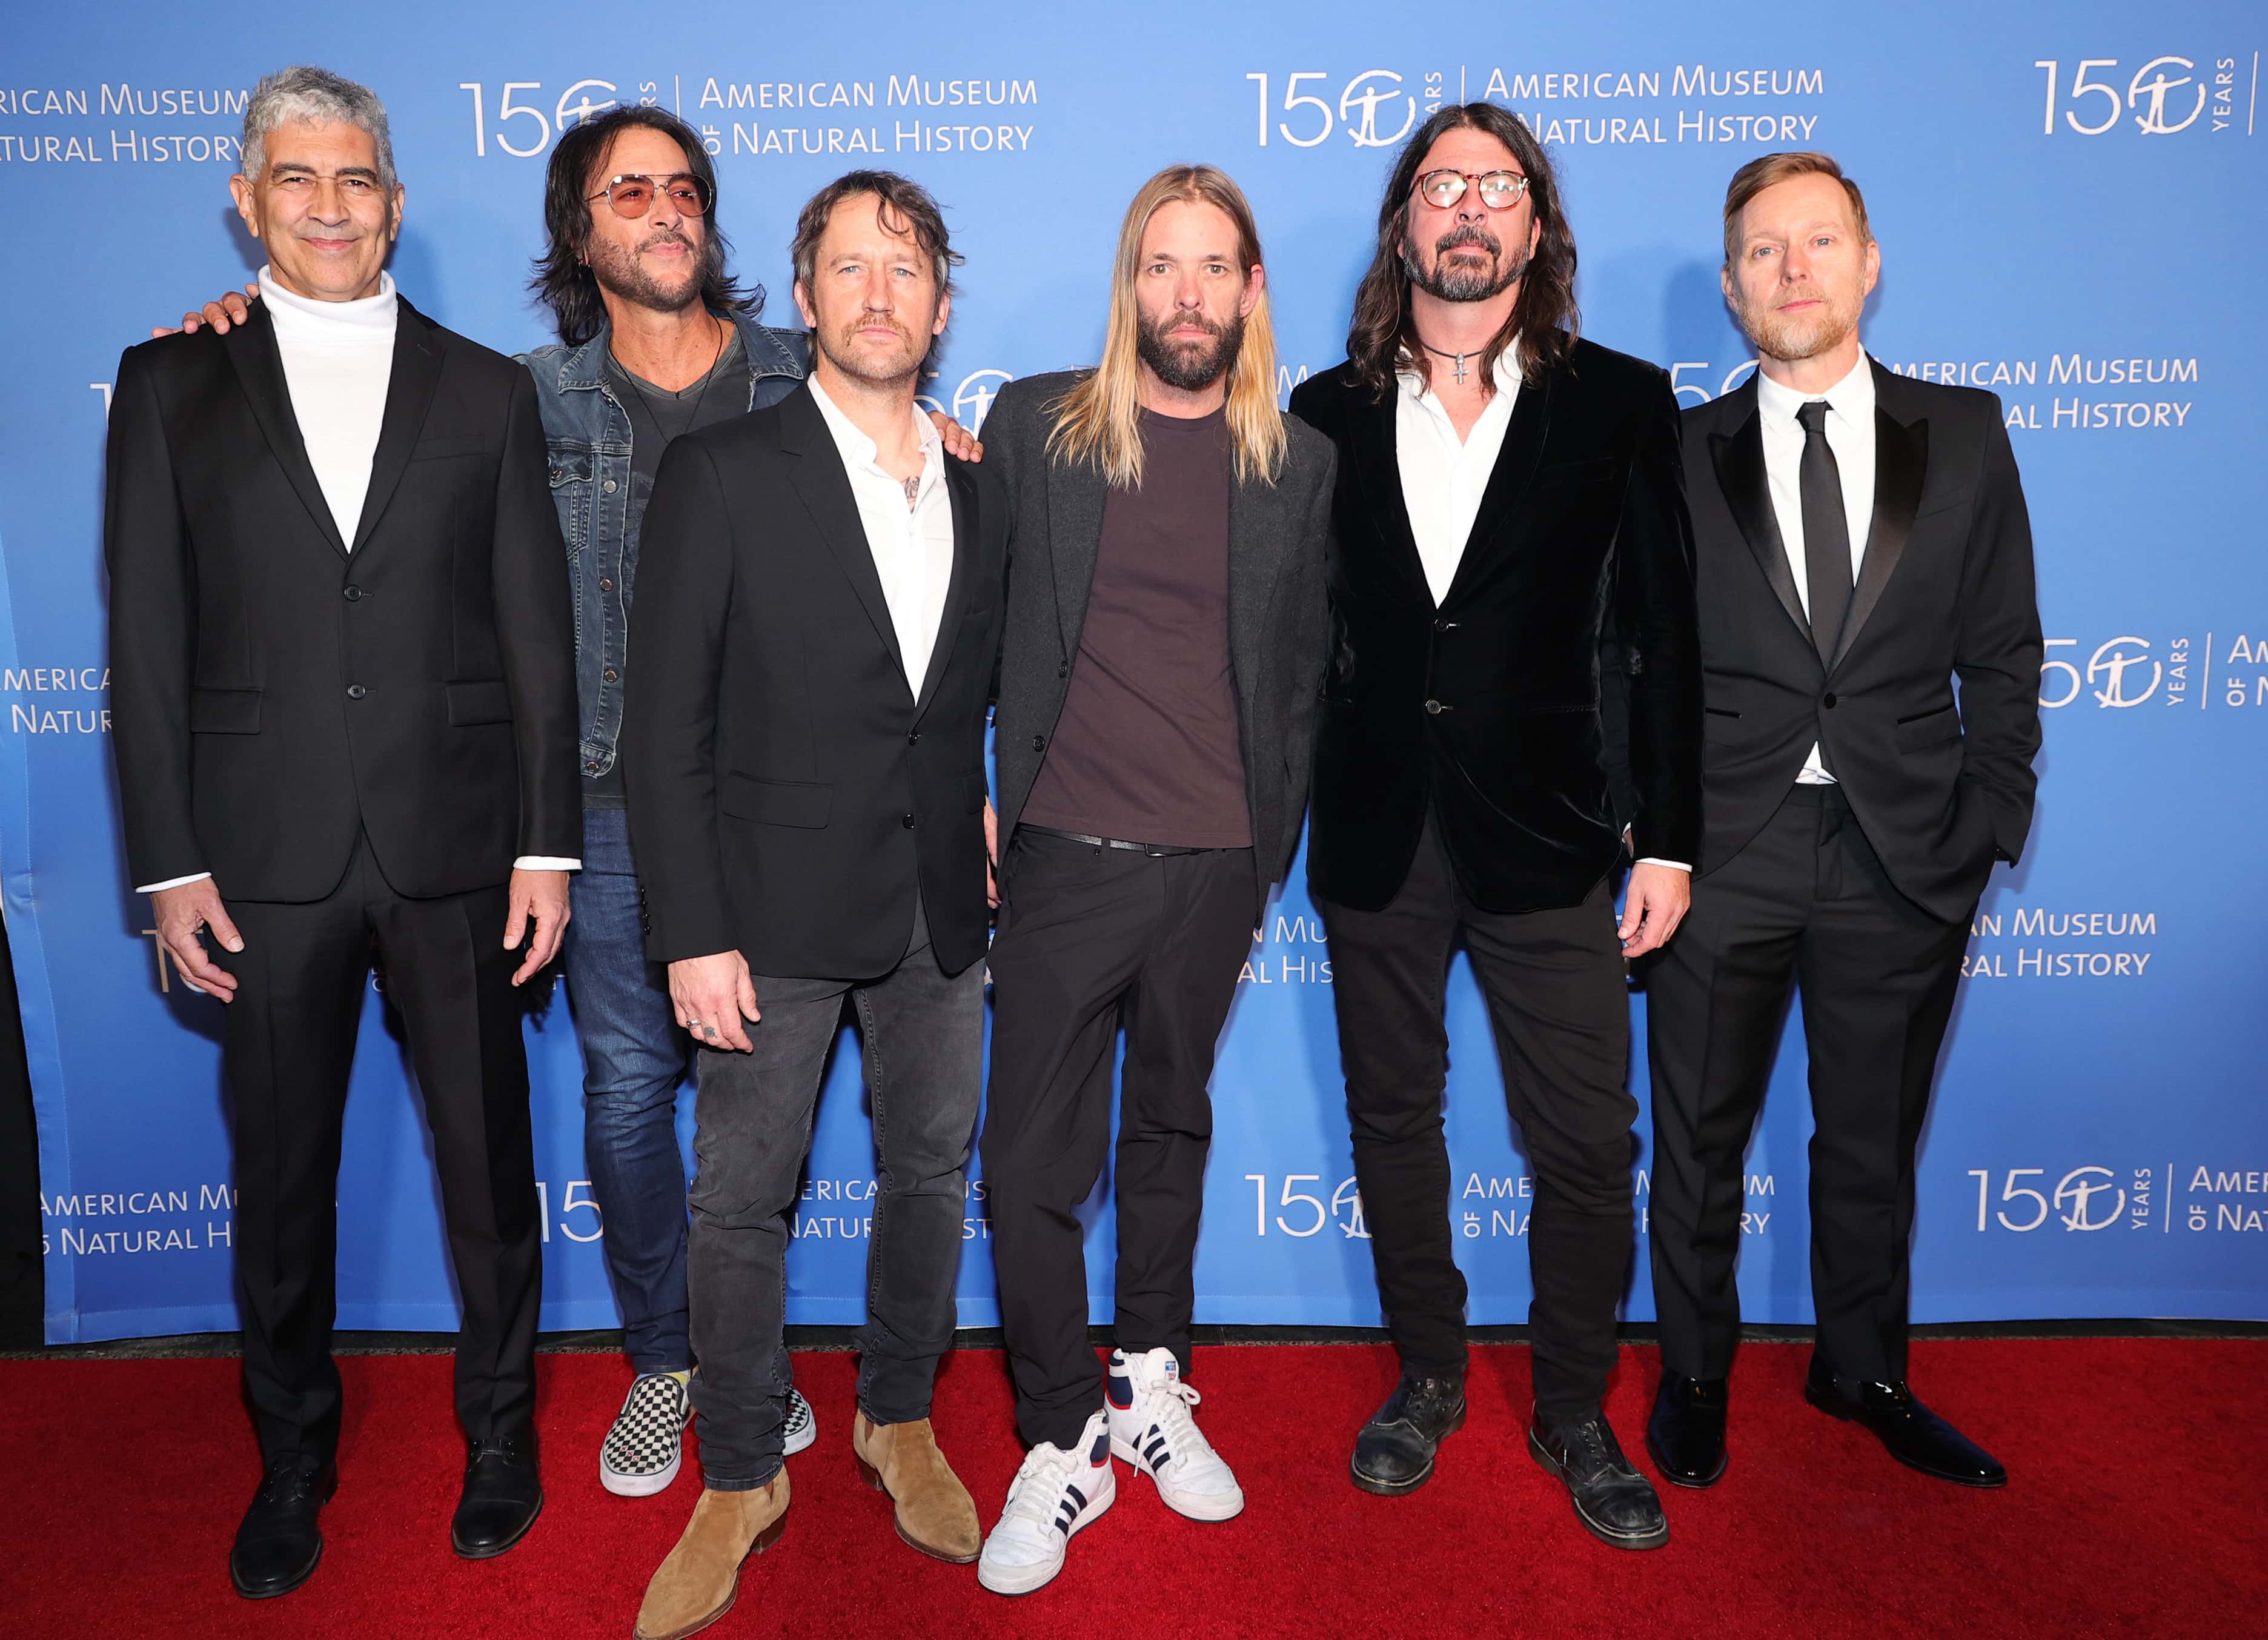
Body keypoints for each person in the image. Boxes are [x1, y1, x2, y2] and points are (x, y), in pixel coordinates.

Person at [165, 104, 983, 1499]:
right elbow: (360, 384)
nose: (662, 212)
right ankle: (675, 1361)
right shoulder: (514, 394)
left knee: (790, 1123)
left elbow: (905, 460)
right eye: (626, 194)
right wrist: (259, 319)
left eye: (683, 190)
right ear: (580, 231)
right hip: (601, 805)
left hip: (800, 809)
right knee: (628, 1093)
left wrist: (950, 445)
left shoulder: (809, 373)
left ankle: (776, 1370)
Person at [107, 66, 579, 1598]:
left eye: (358, 180)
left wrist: (545, 845)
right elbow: (149, 640)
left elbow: (534, 630)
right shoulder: (172, 382)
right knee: (282, 1182)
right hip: (261, 859)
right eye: (297, 179)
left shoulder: (485, 387)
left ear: (396, 201)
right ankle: (290, 1456)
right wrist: (170, 860)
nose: (329, 205)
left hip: (456, 849)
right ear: (248, 198)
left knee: (490, 1179)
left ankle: (500, 1434)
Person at [1288, 102, 1700, 1550]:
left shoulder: (1620, 402)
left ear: (1537, 223)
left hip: (1556, 832)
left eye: (1499, 187)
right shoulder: (1320, 412)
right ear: (1404, 218)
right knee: (1394, 1122)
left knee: (1588, 1144)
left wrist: (1668, 839)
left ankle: (1575, 1403)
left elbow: (1665, 638)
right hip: (1376, 832)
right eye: (1441, 184)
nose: (1468, 210)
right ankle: (1428, 1376)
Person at [620, 171, 1006, 1640]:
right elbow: (667, 732)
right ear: (805, 298)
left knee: (928, 1172)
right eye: (850, 268)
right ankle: (736, 1475)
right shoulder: (724, 471)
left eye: (906, 269)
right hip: (762, 917)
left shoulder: (977, 483)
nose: (880, 294)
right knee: (738, 1202)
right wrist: (690, 930)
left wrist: (974, 800)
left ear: (941, 304)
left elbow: (957, 701)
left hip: (936, 908)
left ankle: (895, 1416)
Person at [1644, 152, 2041, 1492]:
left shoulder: (1968, 434)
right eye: (1764, 250)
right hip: (1724, 851)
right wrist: (1653, 836)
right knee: (1696, 1140)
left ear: (1869, 265)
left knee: (1872, 1139)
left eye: (1819, 242)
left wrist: (1992, 817)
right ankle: (1695, 1375)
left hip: (1906, 851)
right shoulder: (1679, 453)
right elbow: (1627, 663)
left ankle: (1862, 1367)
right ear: (1733, 287)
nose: (1793, 269)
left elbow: (2003, 651)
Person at [972, 165, 1333, 1597]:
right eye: (1160, 266)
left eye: (1212, 268)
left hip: (1218, 865)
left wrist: (1266, 843)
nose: (1186, 294)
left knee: (1170, 1127)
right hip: (1065, 853)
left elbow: (1306, 671)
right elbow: (962, 627)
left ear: (1249, 291)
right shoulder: (1038, 431)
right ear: (1130, 286)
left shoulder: (1300, 466)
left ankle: (1146, 1383)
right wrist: (971, 800)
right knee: (1029, 1165)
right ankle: (1059, 1433)